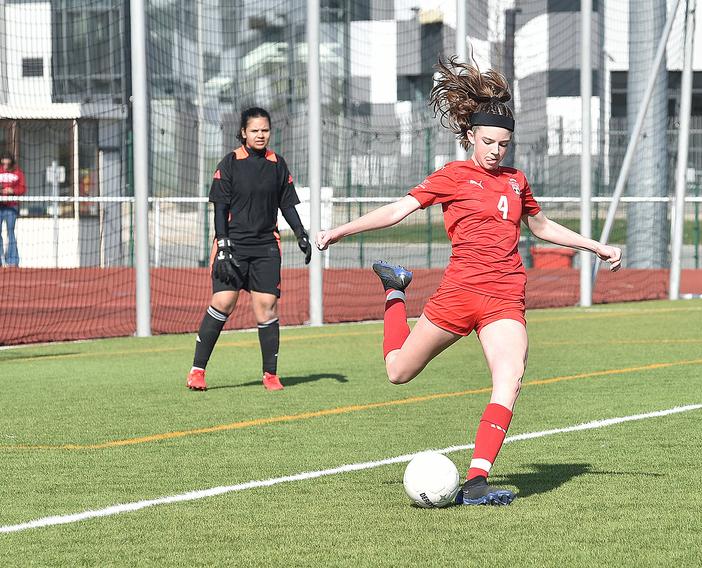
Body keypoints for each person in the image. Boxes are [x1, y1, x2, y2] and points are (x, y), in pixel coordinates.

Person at [316, 57, 622, 506]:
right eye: (489, 141)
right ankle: (395, 291)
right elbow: (397, 210)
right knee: (398, 371)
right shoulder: (452, 177)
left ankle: (477, 480)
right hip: (458, 294)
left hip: (504, 297)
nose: (498, 150)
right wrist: (340, 230)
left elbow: (542, 227)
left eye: (504, 143)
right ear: (469, 137)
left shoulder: (517, 182)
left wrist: (596, 246)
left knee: (510, 377)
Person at [186, 107, 312, 391]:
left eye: (264, 130)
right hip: (233, 244)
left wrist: (301, 233)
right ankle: (197, 371)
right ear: (243, 132)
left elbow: (287, 204)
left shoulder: (277, 164)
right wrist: (223, 243)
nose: (260, 135)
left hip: (266, 245)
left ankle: (270, 375)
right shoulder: (229, 163)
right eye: (254, 130)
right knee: (223, 303)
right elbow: (220, 208)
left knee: (266, 308)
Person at [0, 152, 27, 267]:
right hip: (0, 206)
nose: (5, 166)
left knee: (10, 232)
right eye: (3, 163)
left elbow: (22, 188)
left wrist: (13, 191)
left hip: (11, 207)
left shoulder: (18, 172)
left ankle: (12, 261)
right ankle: (1, 260)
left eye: (7, 163)